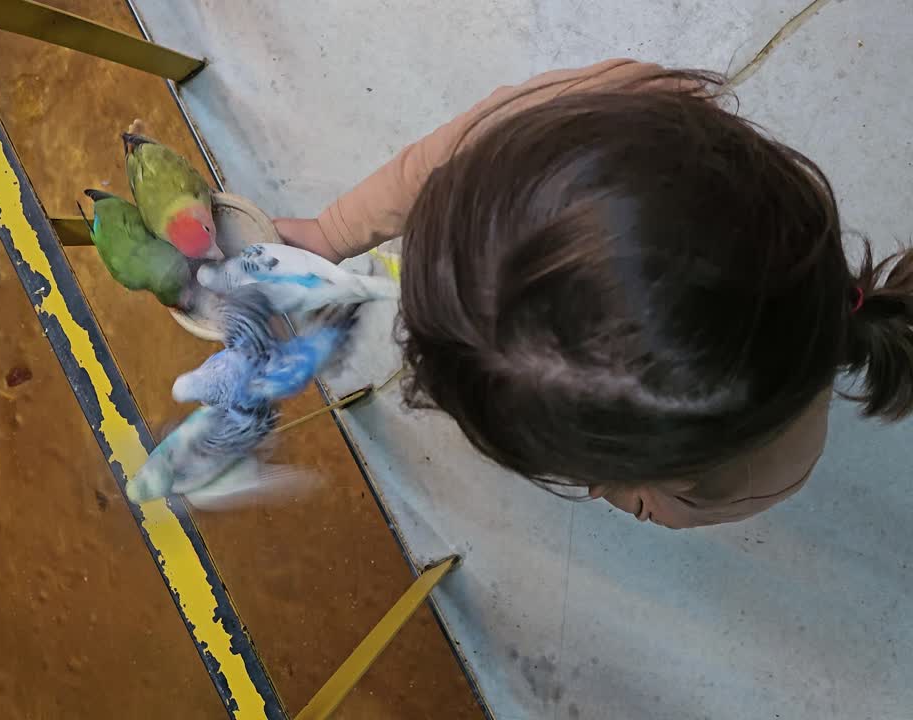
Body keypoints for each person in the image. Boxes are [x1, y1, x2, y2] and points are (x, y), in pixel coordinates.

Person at [274, 59, 913, 528]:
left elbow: (655, 502)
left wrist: (620, 488)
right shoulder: (613, 112)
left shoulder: (743, 479)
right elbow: (450, 153)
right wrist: (330, 233)